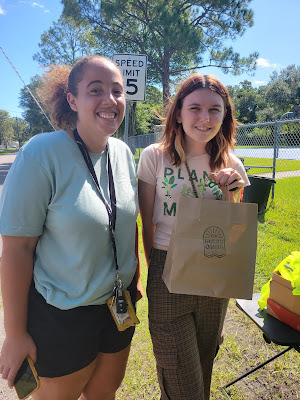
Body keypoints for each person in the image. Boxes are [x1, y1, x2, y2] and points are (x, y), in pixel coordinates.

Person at [0, 55, 142, 400]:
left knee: (103, 394)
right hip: (62, 317)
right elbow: (17, 249)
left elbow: (125, 222)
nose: (110, 100)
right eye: (96, 90)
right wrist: (15, 333)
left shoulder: (123, 153)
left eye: (117, 91)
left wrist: (134, 280)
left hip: (117, 308)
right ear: (73, 100)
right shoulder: (41, 153)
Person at [137, 74, 250, 400]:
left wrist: (230, 192)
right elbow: (147, 223)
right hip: (167, 270)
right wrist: (154, 272)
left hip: (214, 271)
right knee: (180, 379)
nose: (205, 118)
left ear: (225, 115)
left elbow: (234, 234)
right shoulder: (154, 157)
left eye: (215, 110)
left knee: (202, 367)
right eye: (195, 108)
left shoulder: (232, 163)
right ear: (178, 113)